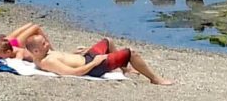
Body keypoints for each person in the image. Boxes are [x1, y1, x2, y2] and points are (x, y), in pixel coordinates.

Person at [24, 34, 173, 85]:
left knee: (107, 40)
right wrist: (95, 62)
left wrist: (76, 54)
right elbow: (73, 73)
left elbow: (64, 60)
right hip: (93, 66)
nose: (48, 43)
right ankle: (155, 79)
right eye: (44, 43)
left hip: (86, 58)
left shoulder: (41, 55)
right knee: (131, 53)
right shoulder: (46, 61)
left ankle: (125, 68)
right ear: (36, 50)